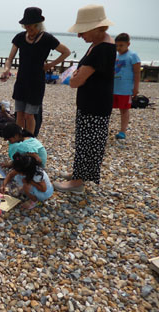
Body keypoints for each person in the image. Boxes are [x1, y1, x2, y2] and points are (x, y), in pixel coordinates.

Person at [54, 4, 116, 193]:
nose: (79, 35)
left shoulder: (102, 48)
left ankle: (78, 183)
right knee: (85, 142)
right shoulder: (98, 44)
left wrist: (75, 77)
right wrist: (77, 77)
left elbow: (75, 81)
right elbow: (80, 76)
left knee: (89, 143)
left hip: (95, 105)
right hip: (93, 103)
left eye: (82, 31)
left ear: (96, 28)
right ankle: (78, 174)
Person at [0, 7, 70, 136]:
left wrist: (50, 65)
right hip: (21, 81)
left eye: (30, 25)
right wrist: (6, 69)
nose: (28, 28)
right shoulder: (20, 37)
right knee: (19, 114)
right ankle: (18, 140)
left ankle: (29, 142)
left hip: (36, 82)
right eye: (25, 25)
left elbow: (66, 52)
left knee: (29, 115)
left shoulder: (47, 38)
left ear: (37, 24)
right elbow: (9, 59)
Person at [113, 33, 141, 139]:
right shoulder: (116, 56)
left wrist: (136, 88)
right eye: (117, 46)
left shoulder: (133, 56)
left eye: (121, 45)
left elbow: (137, 73)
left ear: (128, 44)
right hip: (114, 88)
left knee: (124, 110)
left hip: (125, 89)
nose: (118, 48)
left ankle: (123, 131)